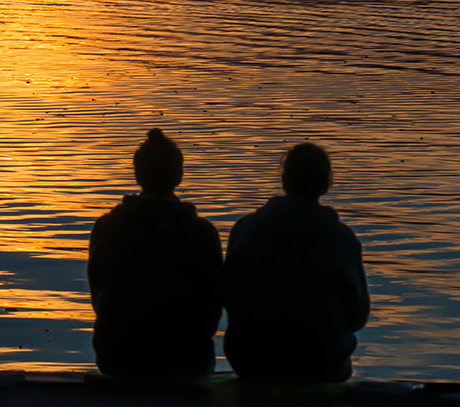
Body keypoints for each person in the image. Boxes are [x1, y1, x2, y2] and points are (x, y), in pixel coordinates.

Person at [223, 142, 369, 382]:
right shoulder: (342, 240)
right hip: (323, 367)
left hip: (252, 363)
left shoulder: (245, 230)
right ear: (326, 184)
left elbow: (230, 298)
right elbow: (357, 318)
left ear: (284, 181)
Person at [88, 129, 223, 377]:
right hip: (186, 360)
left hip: (118, 358)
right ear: (179, 175)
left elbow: (99, 295)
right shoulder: (202, 233)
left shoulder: (107, 227)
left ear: (137, 174)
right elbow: (212, 305)